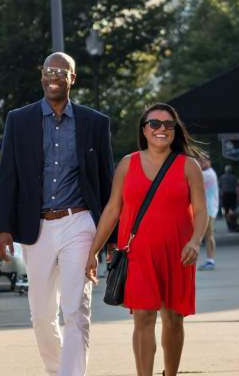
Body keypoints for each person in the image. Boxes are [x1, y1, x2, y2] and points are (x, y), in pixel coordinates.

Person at [0, 51, 114, 376]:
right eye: (49, 70)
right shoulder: (19, 121)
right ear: (42, 76)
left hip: (80, 222)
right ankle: (56, 370)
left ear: (73, 79)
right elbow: (8, 176)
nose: (54, 76)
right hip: (37, 227)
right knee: (41, 315)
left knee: (76, 309)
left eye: (62, 71)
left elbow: (107, 184)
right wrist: (2, 228)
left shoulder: (95, 123)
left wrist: (111, 239)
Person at [85, 103, 207, 376]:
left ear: (175, 131)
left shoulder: (189, 166)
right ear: (144, 129)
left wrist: (195, 241)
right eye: (154, 123)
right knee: (143, 316)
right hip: (138, 253)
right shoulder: (128, 164)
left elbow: (201, 211)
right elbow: (112, 210)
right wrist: (94, 250)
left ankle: (170, 373)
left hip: (178, 253)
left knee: (174, 319)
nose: (161, 129)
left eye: (168, 125)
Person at [198, 154, 218, 271]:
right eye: (200, 161)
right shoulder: (208, 173)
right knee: (208, 235)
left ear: (208, 161)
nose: (200, 163)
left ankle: (210, 260)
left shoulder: (207, 174)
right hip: (209, 208)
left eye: (202, 161)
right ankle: (210, 260)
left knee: (209, 235)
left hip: (209, 209)